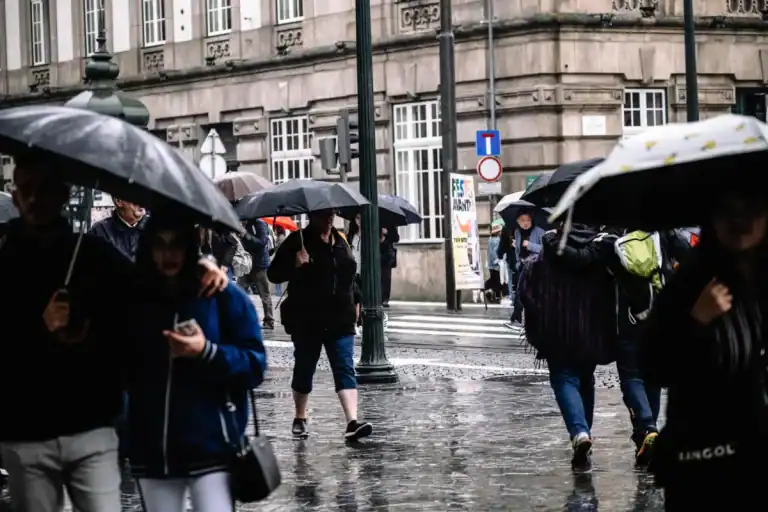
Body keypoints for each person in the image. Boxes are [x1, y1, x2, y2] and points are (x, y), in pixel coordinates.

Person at [0, 156, 228, 512]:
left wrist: (199, 263)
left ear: (61, 195)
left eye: (42, 190)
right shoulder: (4, 258)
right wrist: (37, 327)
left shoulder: (91, 253)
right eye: (24, 190)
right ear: (14, 196)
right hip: (26, 429)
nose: (33, 199)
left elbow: (150, 283)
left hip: (92, 425)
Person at [126, 215, 267, 511]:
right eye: (159, 245)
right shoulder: (134, 299)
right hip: (154, 448)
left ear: (189, 246)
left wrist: (206, 351)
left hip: (212, 445)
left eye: (176, 244)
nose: (168, 255)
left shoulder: (222, 295)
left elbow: (254, 365)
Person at [642, 191, 768, 510]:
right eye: (728, 210)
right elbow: (655, 366)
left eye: (751, 208)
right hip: (706, 461)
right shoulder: (691, 282)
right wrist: (696, 319)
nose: (739, 221)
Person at [268, 208, 372, 441]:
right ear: (312, 216)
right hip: (308, 318)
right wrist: (295, 263)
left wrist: (356, 302)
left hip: (340, 318)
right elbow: (273, 274)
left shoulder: (341, 240)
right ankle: (300, 416)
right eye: (324, 214)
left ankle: (352, 422)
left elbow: (349, 276)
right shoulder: (298, 240)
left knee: (344, 366)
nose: (329, 219)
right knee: (305, 369)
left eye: (332, 214)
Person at [505, 212, 545, 329]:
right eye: (523, 220)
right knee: (519, 293)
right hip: (522, 267)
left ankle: (536, 320)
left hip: (536, 267)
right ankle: (516, 319)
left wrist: (530, 245)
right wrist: (518, 263)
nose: (526, 223)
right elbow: (517, 251)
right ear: (518, 222)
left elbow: (545, 249)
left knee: (535, 295)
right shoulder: (517, 232)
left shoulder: (540, 232)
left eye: (528, 220)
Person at [241, 218, 274, 330]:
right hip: (247, 264)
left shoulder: (259, 223)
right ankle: (240, 319)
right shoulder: (244, 224)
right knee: (241, 291)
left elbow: (261, 242)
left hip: (259, 265)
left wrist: (246, 235)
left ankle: (269, 321)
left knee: (264, 294)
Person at [347, 214, 363, 330]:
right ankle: (355, 320)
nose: (359, 221)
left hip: (363, 271)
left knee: (362, 297)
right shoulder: (352, 235)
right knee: (354, 297)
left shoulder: (368, 235)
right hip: (353, 271)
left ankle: (360, 320)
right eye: (357, 218)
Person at [380, 225, 399, 307]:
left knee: (386, 277)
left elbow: (396, 238)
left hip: (386, 254)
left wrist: (387, 233)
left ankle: (385, 299)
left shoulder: (390, 223)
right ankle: (378, 298)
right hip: (376, 252)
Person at [484, 223, 503, 303]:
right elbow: (494, 252)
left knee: (494, 279)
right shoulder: (497, 240)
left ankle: (489, 291)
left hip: (490, 264)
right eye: (500, 231)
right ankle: (488, 289)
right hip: (495, 264)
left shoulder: (490, 239)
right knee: (497, 280)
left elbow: (490, 252)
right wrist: (498, 260)